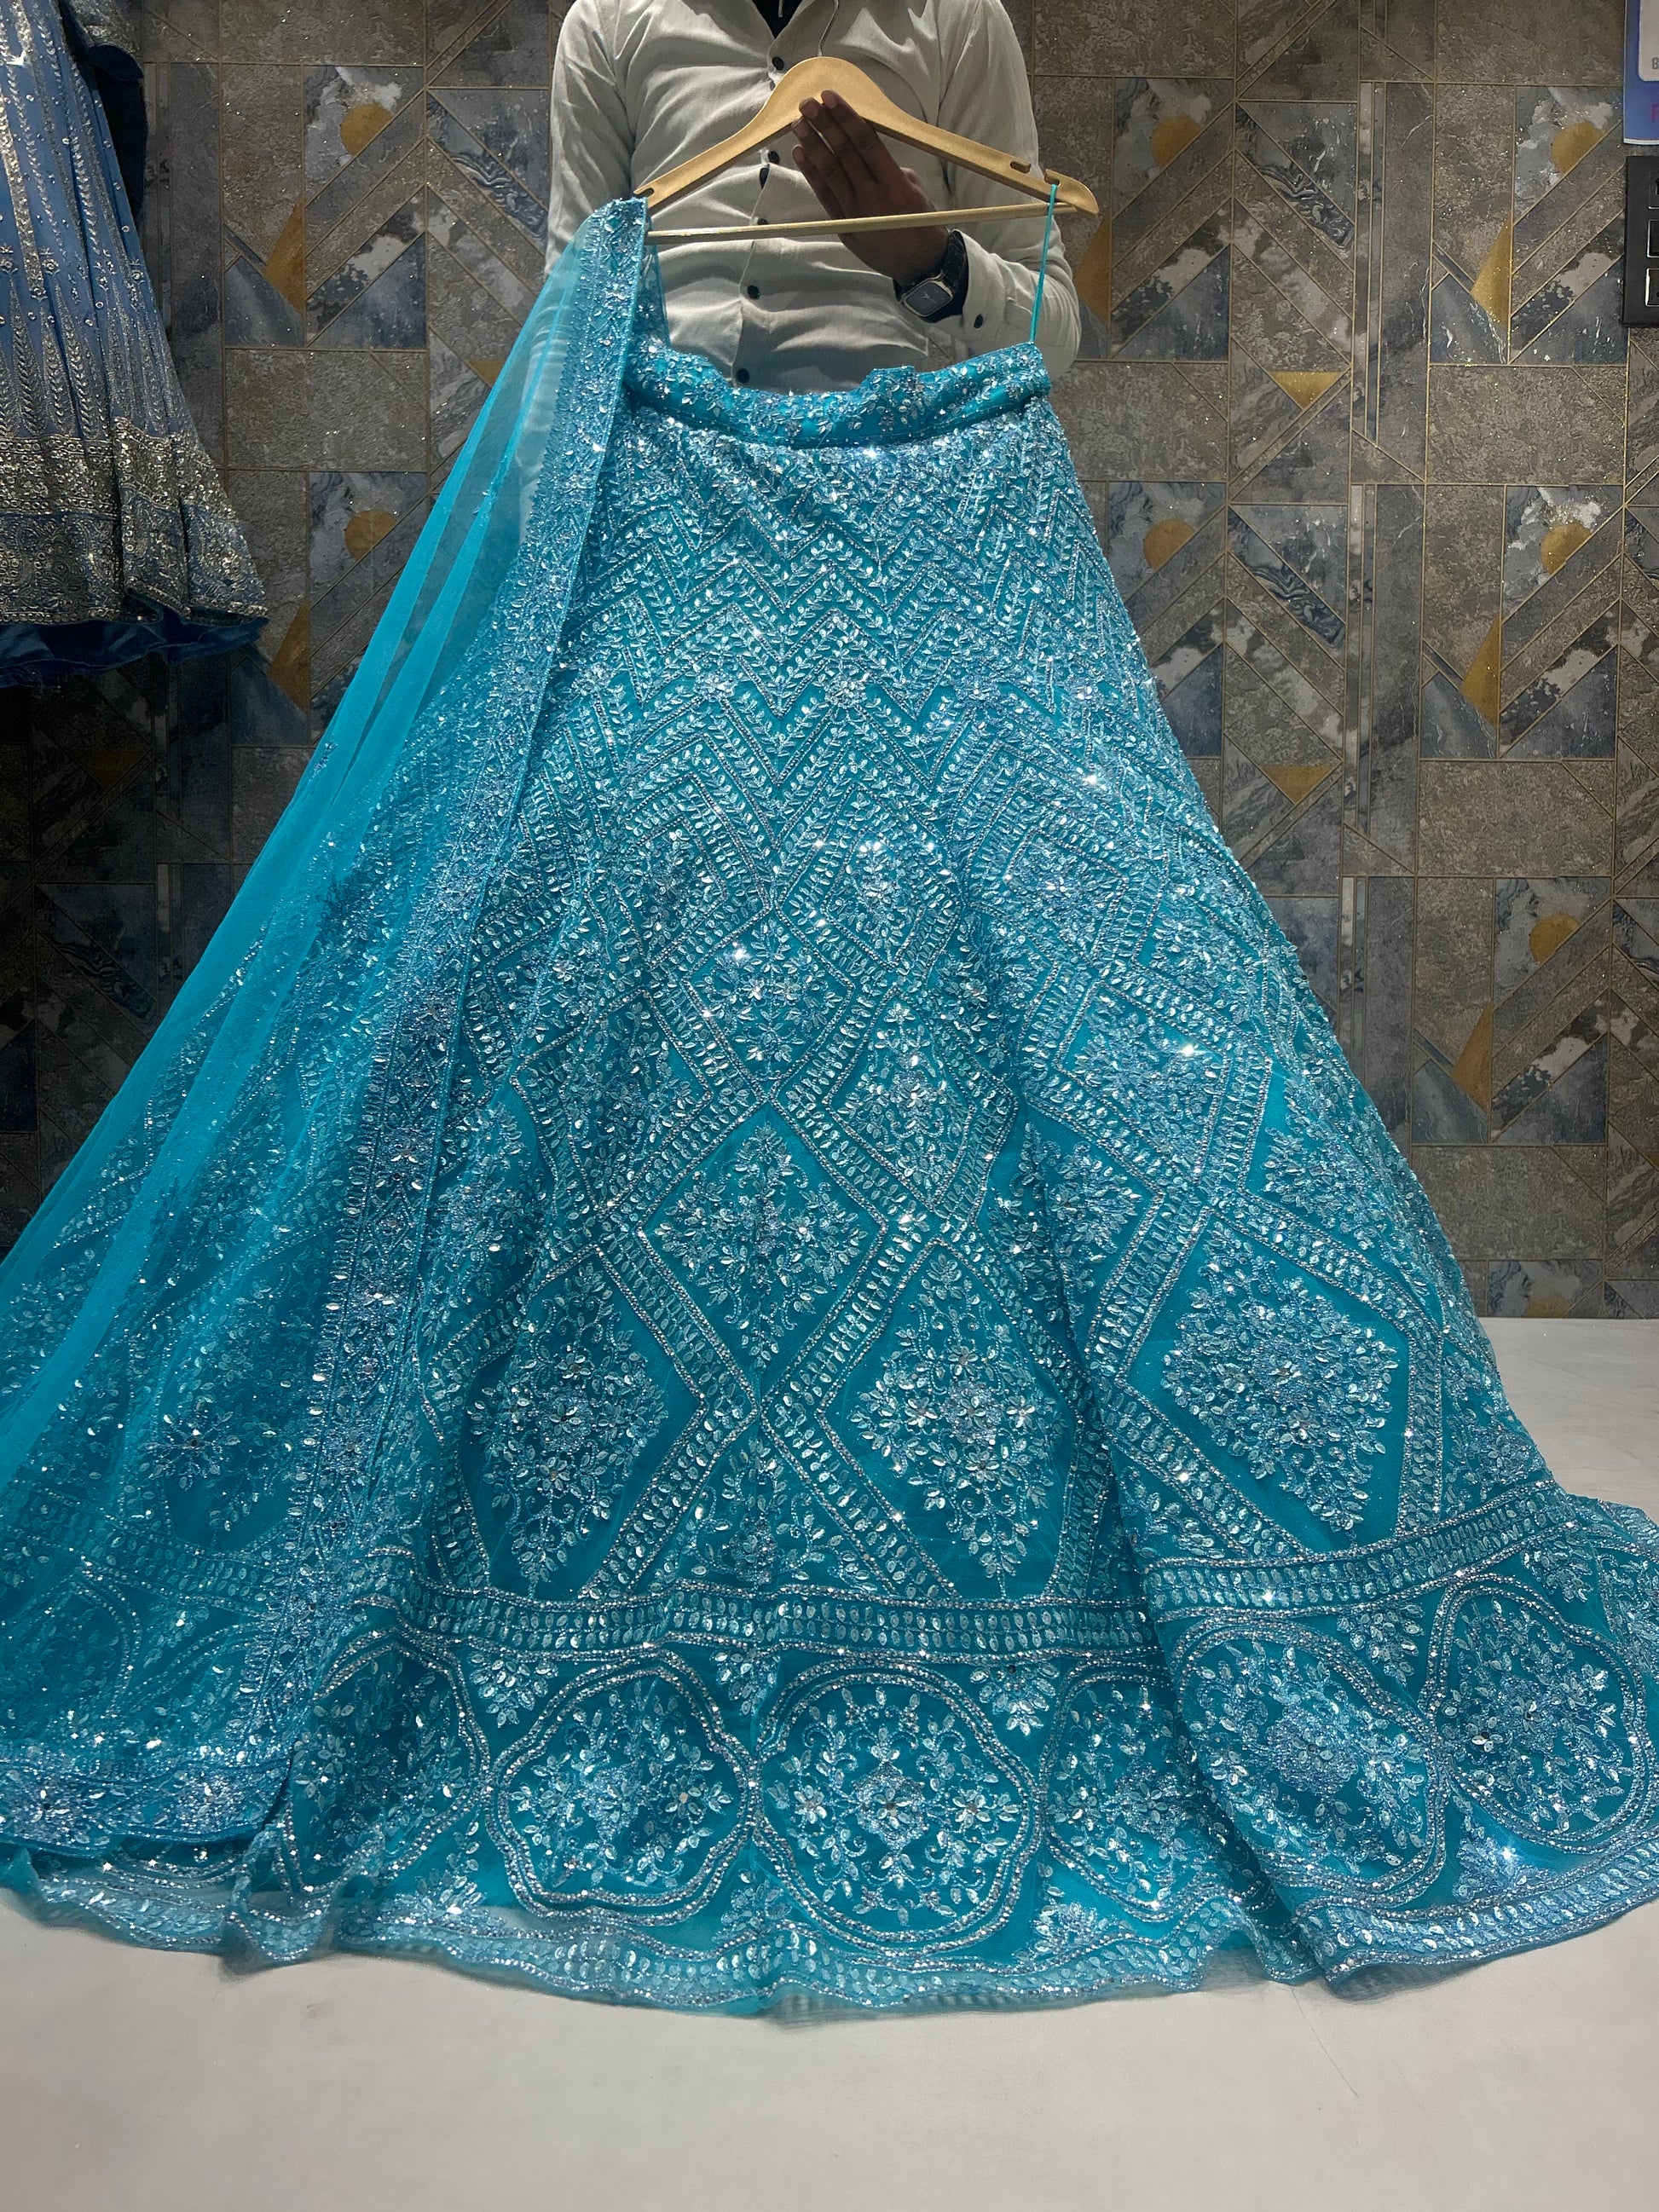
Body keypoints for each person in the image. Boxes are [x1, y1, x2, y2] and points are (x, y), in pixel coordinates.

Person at [3, 51, 1659, 2013]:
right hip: (676, 549)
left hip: (953, 528)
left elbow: (1039, 315)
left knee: (1119, 1015)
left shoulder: (946, 16)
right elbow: (575, 330)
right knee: (594, 1020)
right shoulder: (620, 22)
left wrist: (900, 222)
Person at [546, 0, 1080, 389]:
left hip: (898, 478)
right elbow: (570, 320)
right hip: (657, 473)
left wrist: (935, 266)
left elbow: (1054, 337)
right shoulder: (606, 22)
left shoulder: (956, 17)